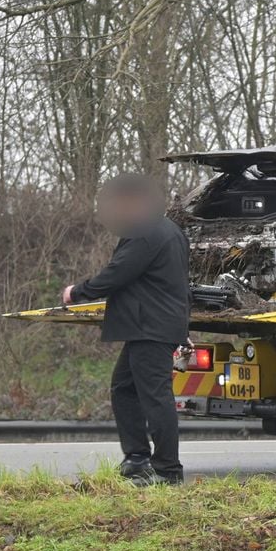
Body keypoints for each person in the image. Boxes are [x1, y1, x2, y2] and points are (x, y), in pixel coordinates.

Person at [63, 174, 191, 485]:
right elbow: (174, 283)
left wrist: (78, 292)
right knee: (124, 388)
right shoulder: (170, 231)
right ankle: (137, 458)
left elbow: (119, 272)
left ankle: (166, 470)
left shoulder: (145, 232)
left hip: (149, 326)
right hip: (151, 325)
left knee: (156, 396)